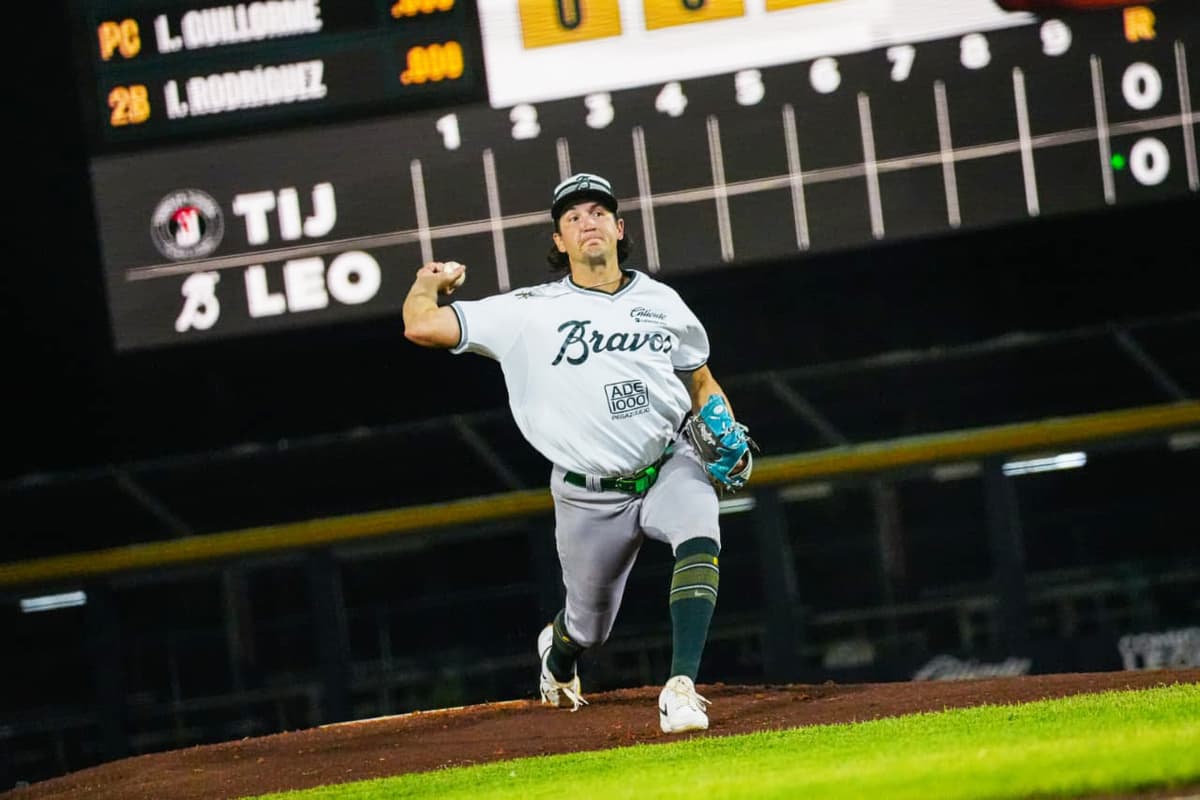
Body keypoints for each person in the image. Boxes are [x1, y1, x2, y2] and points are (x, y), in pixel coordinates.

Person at [401, 172, 753, 733]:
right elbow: (420, 326)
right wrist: (428, 282)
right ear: (560, 242)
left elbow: (702, 382)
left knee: (701, 530)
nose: (587, 220)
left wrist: (720, 422)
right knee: (588, 628)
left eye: (597, 211)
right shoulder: (526, 312)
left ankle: (681, 687)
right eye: (572, 216)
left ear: (618, 228)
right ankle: (558, 655)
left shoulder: (663, 302)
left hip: (669, 465)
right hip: (588, 497)